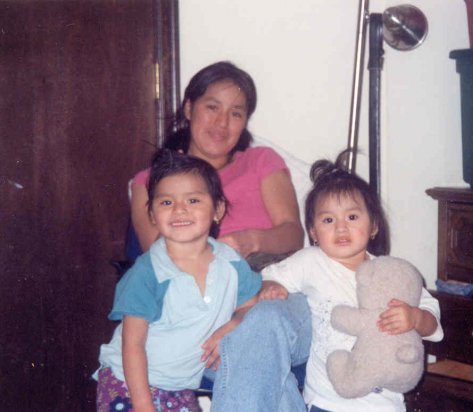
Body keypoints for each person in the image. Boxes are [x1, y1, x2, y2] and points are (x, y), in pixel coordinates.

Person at [257, 151, 444, 411]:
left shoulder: (393, 273)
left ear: (374, 225)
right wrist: (271, 286)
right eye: (328, 220)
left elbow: (431, 314)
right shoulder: (310, 261)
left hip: (383, 403)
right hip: (326, 400)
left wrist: (415, 318)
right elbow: (271, 275)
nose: (341, 228)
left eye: (352, 217)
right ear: (313, 232)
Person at [94, 150, 261, 412]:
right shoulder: (148, 271)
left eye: (193, 200)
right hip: (129, 383)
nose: (179, 209)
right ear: (152, 214)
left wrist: (234, 324)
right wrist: (143, 406)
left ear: (217, 209)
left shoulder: (231, 262)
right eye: (166, 202)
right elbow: (132, 345)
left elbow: (250, 304)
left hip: (179, 386)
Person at [130, 61, 304, 265]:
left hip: (267, 271)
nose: (222, 122)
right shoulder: (150, 180)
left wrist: (250, 240)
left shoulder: (261, 160)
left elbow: (294, 235)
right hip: (193, 276)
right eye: (212, 107)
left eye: (235, 113)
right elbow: (156, 258)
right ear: (189, 108)